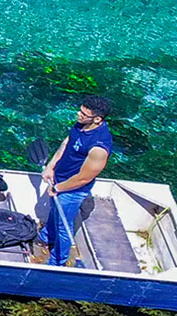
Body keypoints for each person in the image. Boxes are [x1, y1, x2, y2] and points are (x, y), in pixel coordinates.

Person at [38, 95, 114, 267]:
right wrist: (51, 166)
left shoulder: (99, 146)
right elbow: (67, 143)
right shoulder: (82, 124)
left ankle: (57, 261)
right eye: (80, 111)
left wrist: (58, 188)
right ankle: (45, 237)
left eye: (83, 114)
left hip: (72, 190)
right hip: (59, 178)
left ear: (97, 119)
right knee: (54, 212)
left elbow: (84, 177)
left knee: (63, 226)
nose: (78, 115)